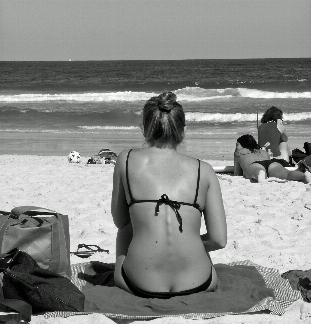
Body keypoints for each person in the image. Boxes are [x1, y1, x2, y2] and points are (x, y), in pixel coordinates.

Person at [111, 91, 227, 298]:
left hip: (140, 285)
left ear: (145, 128)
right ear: (182, 131)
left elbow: (120, 221)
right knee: (196, 245)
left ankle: (133, 269)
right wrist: (188, 242)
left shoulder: (126, 159)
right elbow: (219, 241)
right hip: (199, 283)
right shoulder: (204, 170)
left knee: (127, 228)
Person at [234, 134, 311, 183]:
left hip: (255, 165)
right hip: (271, 163)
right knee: (287, 174)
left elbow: (237, 173)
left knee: (256, 170)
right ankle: (304, 175)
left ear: (243, 145)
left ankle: (259, 174)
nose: (236, 146)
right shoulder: (262, 151)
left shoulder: (238, 152)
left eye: (237, 144)